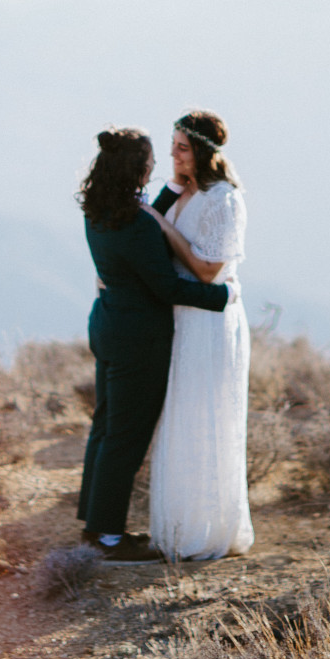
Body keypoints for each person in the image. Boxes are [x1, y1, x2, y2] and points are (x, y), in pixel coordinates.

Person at [75, 126, 229, 562]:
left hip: (107, 326)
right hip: (138, 340)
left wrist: (169, 192)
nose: (157, 165)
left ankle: (94, 524)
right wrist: (224, 296)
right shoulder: (135, 221)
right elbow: (165, 287)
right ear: (138, 168)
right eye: (151, 162)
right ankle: (107, 535)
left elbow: (142, 223)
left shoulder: (99, 209)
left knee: (106, 428)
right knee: (126, 435)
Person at [145, 109, 254, 559]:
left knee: (204, 416)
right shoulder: (183, 192)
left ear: (203, 152)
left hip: (209, 322)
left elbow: (209, 270)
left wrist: (162, 227)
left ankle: (206, 531)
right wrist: (166, 202)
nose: (172, 153)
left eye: (182, 147)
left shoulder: (224, 199)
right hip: (179, 319)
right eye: (172, 145)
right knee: (178, 417)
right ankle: (176, 526)